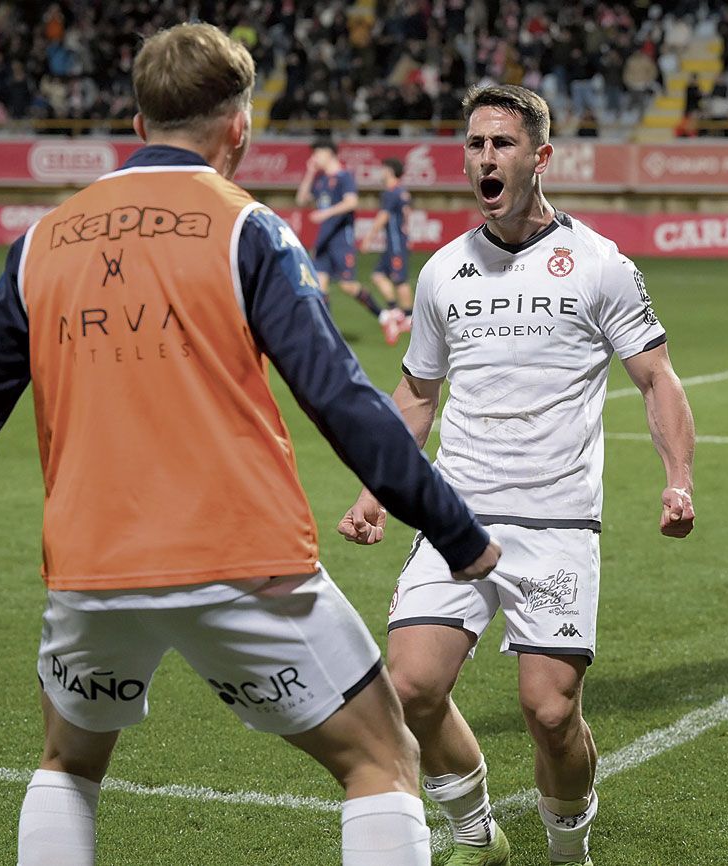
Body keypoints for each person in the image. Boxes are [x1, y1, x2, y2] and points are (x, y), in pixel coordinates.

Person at [0, 23, 500, 866]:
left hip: (93, 561)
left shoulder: (44, 240)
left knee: (69, 762)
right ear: (239, 129)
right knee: (380, 758)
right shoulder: (246, 229)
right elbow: (339, 397)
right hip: (242, 555)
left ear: (138, 125)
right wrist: (456, 530)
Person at [337, 84, 697, 866]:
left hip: (559, 520)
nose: (485, 158)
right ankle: (476, 836)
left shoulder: (599, 264)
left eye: (501, 144)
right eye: (474, 144)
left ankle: (570, 854)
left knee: (551, 712)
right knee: (411, 688)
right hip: (456, 514)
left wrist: (679, 478)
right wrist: (375, 487)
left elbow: (657, 378)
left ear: (540, 158)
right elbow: (418, 395)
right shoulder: (442, 274)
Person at [296, 138, 406, 344]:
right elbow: (302, 200)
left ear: (329, 153)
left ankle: (385, 317)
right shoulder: (320, 180)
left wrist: (325, 213)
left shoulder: (344, 177)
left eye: (317, 153)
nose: (314, 158)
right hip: (323, 242)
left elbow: (352, 202)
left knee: (348, 285)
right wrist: (310, 173)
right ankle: (326, 334)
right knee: (319, 288)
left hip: (340, 241)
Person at [367, 156, 415, 342]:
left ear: (390, 171)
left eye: (383, 169)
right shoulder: (402, 192)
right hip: (395, 244)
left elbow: (383, 216)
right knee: (378, 275)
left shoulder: (392, 192)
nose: (381, 172)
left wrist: (369, 237)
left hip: (396, 244)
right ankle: (396, 311)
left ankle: (409, 317)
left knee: (399, 280)